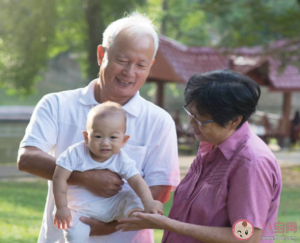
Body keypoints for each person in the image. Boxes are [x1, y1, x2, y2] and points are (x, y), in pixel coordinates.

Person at [17, 12, 180, 243]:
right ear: (101, 54)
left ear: (150, 65)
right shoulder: (57, 104)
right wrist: (83, 177)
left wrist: (110, 226)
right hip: (62, 236)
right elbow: (27, 158)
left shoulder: (158, 121)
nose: (130, 72)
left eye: (141, 65)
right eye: (122, 60)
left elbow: (161, 189)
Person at [117, 69, 282, 243]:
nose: (191, 122)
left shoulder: (251, 162)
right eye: (191, 113)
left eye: (201, 119)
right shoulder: (210, 144)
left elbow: (246, 237)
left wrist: (169, 224)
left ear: (234, 120)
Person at [53, 102, 163, 243]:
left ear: (124, 140)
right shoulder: (75, 153)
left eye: (113, 137)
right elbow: (59, 178)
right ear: (87, 137)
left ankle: (136, 214)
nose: (105, 143)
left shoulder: (120, 158)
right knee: (74, 232)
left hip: (112, 205)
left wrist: (148, 202)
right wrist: (61, 207)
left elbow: (136, 180)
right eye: (98, 136)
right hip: (79, 209)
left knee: (131, 195)